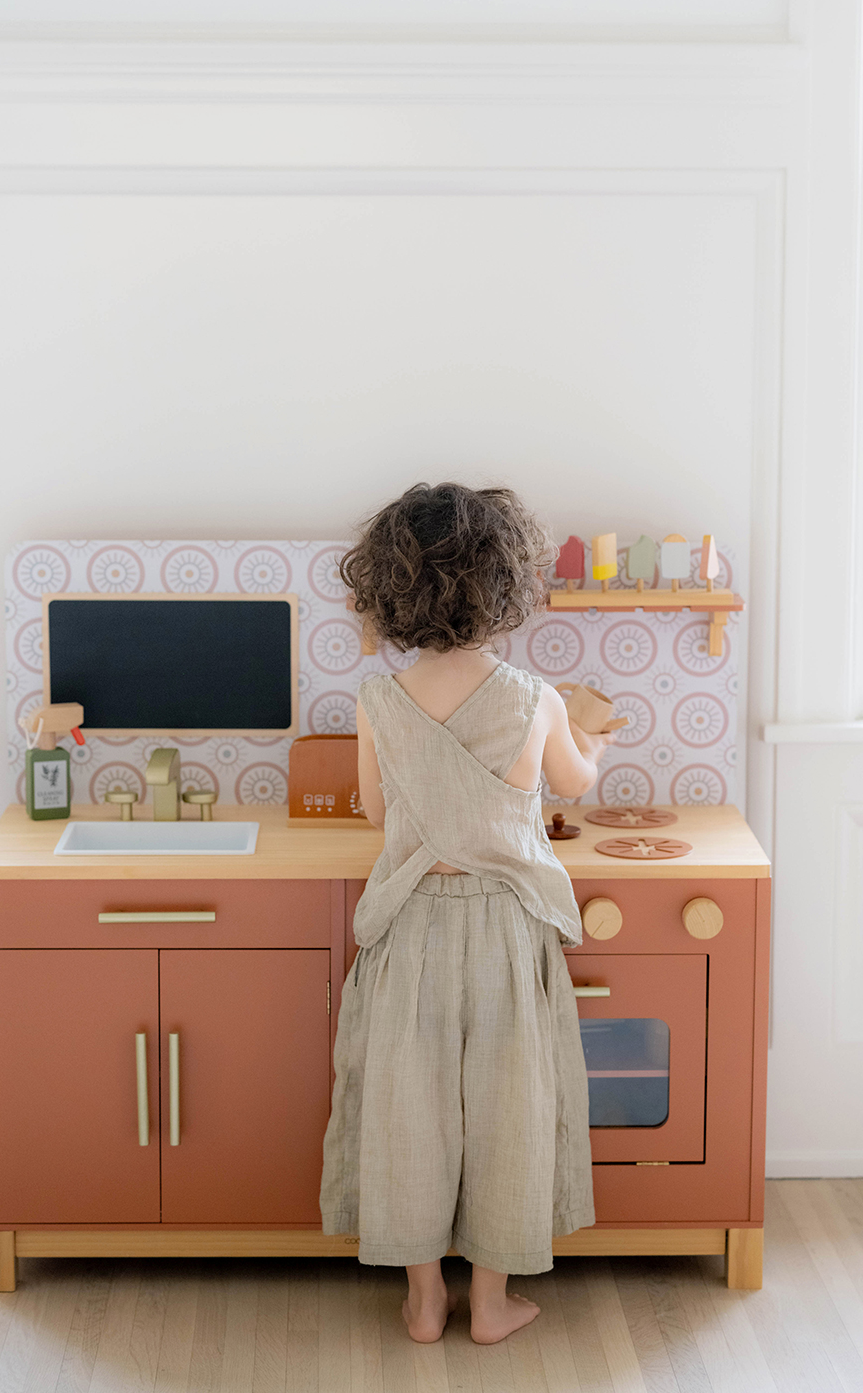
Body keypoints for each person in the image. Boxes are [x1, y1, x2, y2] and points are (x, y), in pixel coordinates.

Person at [319, 481, 615, 1345]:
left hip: (412, 926)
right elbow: (573, 783)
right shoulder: (536, 698)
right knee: (508, 1107)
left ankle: (422, 1301)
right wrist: (594, 743)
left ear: (389, 591)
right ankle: (491, 1303)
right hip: (503, 929)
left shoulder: (378, 705)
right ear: (508, 587)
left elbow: (377, 812)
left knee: (407, 1105)